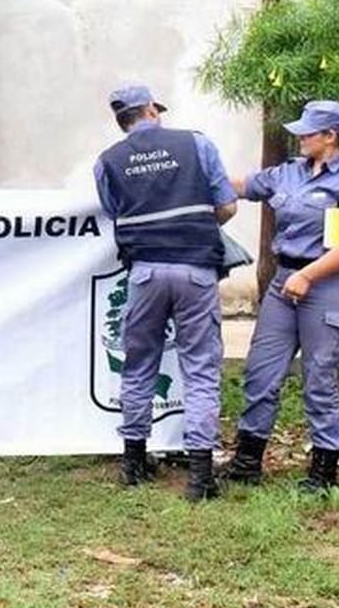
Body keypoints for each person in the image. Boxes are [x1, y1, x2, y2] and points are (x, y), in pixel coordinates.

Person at [223, 100, 339, 492]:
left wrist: (310, 275)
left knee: (319, 378)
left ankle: (322, 474)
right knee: (262, 371)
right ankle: (246, 462)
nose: (299, 138)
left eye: (307, 132)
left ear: (331, 137)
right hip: (284, 284)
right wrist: (194, 175)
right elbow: (242, 186)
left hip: (328, 287)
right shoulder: (289, 173)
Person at [94, 84, 238, 501]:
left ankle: (134, 463)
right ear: (153, 110)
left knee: (138, 365)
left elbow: (113, 211)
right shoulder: (195, 143)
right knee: (200, 369)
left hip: (144, 274)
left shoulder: (108, 162)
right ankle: (199, 477)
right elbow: (227, 205)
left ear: (122, 120)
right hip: (195, 271)